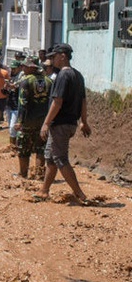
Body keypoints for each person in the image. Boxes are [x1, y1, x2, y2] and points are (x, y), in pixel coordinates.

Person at [36, 44, 93, 204]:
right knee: (50, 157)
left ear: (63, 56)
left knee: (60, 158)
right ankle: (44, 191)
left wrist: (46, 123)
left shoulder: (62, 76)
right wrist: (84, 122)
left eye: (53, 57)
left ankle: (80, 194)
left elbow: (57, 102)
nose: (52, 60)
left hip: (60, 124)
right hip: (70, 123)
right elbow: (83, 101)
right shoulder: (78, 75)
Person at [15, 57, 51, 179]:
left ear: (32, 67)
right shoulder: (49, 81)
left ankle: (23, 173)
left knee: (23, 147)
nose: (23, 68)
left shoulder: (26, 81)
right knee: (41, 147)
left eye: (25, 66)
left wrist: (19, 121)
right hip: (43, 121)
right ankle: (39, 174)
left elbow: (22, 103)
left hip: (28, 120)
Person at [5, 60, 25, 145]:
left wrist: (11, 86)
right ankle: (14, 145)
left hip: (17, 106)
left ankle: (13, 146)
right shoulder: (11, 77)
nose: (12, 70)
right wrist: (6, 88)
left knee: (13, 127)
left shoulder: (22, 76)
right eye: (11, 68)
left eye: (14, 68)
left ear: (19, 68)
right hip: (10, 104)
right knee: (11, 126)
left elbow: (17, 86)